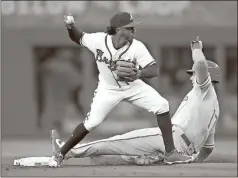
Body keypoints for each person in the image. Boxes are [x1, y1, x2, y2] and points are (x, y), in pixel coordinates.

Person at [48, 12, 193, 167]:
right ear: (117, 29)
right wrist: (70, 27)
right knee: (92, 122)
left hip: (132, 86)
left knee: (162, 105)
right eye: (129, 28)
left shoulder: (137, 46)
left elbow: (154, 69)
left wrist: (139, 73)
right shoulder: (99, 40)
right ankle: (60, 153)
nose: (133, 30)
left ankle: (170, 153)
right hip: (108, 89)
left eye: (133, 27)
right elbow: (79, 38)